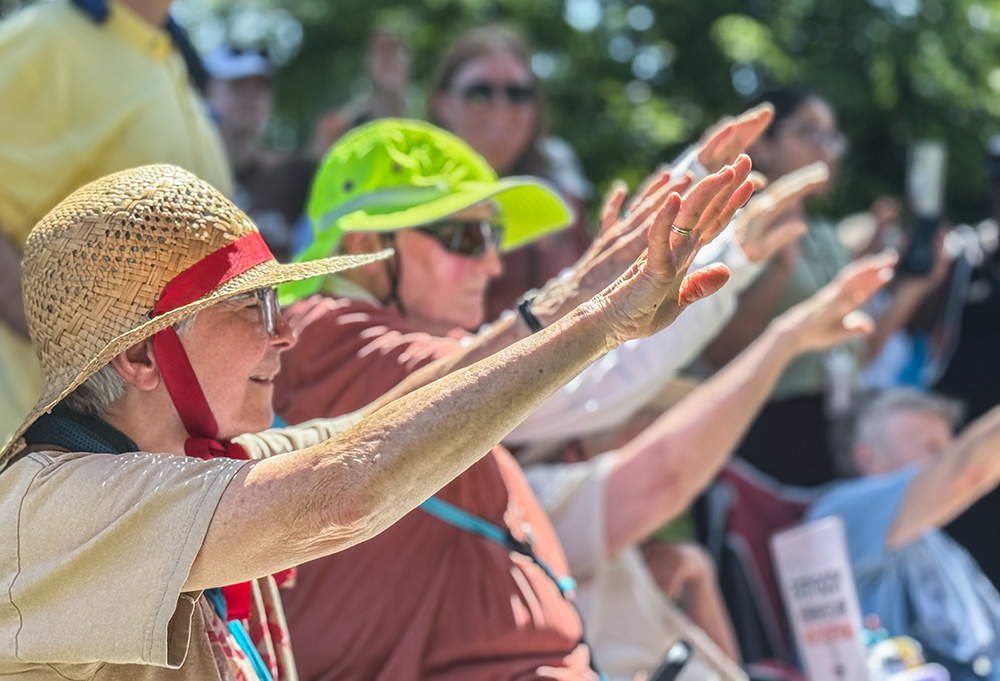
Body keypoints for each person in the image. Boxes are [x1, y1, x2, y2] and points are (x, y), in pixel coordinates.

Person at [0, 159, 754, 679]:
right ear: (140, 357)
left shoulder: (182, 463)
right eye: (249, 306)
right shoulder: (50, 506)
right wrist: (598, 324)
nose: (284, 331)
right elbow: (346, 489)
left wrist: (572, 302)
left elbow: (389, 419)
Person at [272, 118, 893, 680]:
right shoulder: (331, 333)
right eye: (465, 237)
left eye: (494, 236)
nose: (491, 265)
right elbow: (572, 388)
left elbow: (590, 392)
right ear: (362, 249)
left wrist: (713, 253)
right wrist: (657, 254)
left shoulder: (385, 355)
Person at [0, 0, 232, 440]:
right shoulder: (47, 39)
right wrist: (82, 364)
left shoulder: (171, 57)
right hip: (30, 455)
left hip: (126, 462)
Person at [704, 87, 944, 486]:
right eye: (809, 133)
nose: (826, 150)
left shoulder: (827, 238)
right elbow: (718, 355)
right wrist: (781, 268)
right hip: (759, 440)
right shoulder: (726, 234)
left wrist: (914, 289)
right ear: (759, 145)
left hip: (834, 437)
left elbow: (858, 349)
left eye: (832, 138)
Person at [806, 389, 1000, 681]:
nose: (947, 459)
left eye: (952, 450)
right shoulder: (842, 512)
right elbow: (968, 472)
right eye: (934, 450)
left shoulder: (940, 545)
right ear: (868, 458)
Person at [204, 45, 318, 262]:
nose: (251, 97)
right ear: (206, 92)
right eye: (237, 86)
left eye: (260, 88)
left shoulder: (289, 176)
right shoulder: (182, 178)